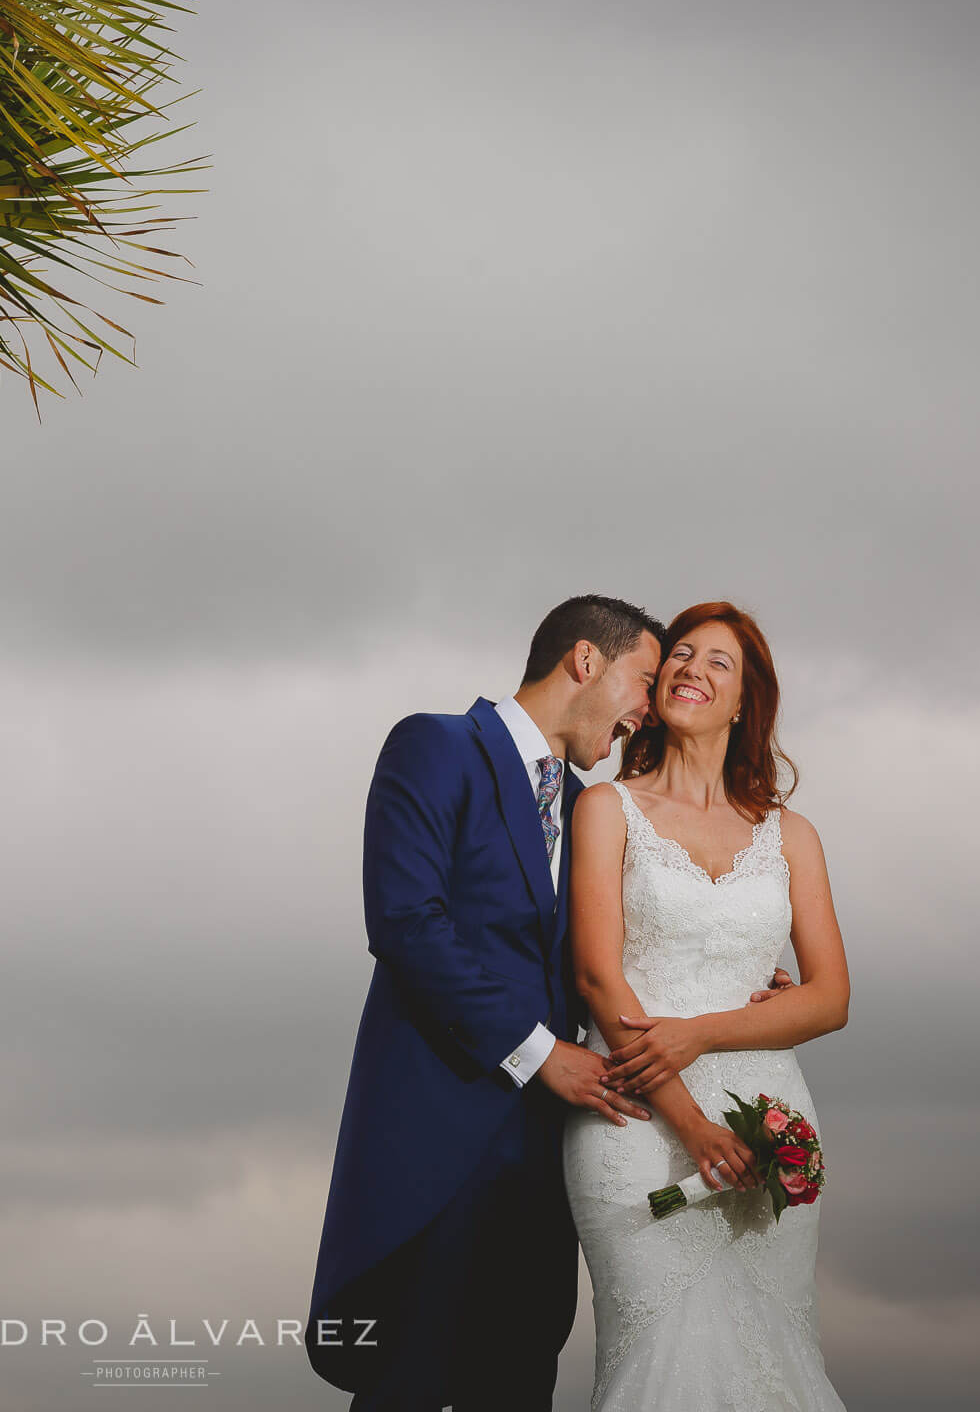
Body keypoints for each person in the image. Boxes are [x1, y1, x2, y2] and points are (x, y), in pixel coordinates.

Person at [305, 595, 792, 1410]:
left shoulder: (593, 808)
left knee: (518, 1381)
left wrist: (742, 987)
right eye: (647, 678)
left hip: (549, 1162)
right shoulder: (436, 745)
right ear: (584, 661)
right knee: (409, 1387)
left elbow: (615, 956)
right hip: (437, 1140)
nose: (648, 710)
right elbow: (406, 922)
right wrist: (539, 1052)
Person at [563, 601, 851, 1409]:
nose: (692, 669)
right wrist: (689, 1123)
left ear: (744, 701)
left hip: (769, 1117)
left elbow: (830, 999)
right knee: (660, 1356)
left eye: (718, 662)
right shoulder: (606, 810)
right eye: (680, 656)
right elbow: (597, 979)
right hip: (636, 1125)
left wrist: (701, 1035)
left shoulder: (791, 836)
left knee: (776, 1353)